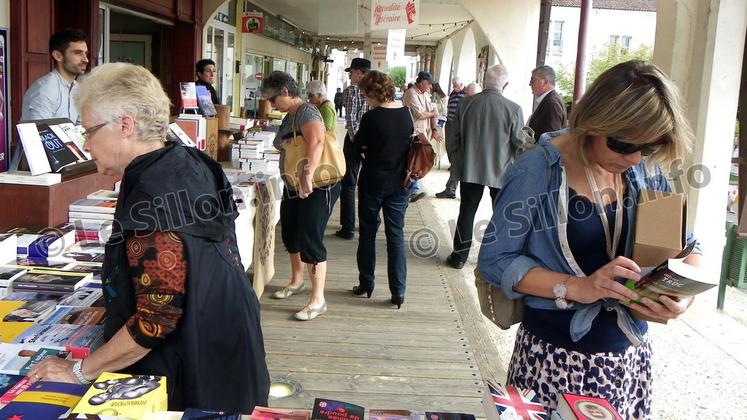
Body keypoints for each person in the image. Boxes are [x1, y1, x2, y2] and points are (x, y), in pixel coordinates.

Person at [26, 63, 270, 412]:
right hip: (227, 337)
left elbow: (156, 320)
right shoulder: (188, 159)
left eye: (88, 130)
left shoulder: (155, 190)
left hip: (195, 365)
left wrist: (79, 371)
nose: (86, 143)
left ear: (125, 125)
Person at [477, 60, 700, 418]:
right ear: (596, 122)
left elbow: (689, 246)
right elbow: (494, 259)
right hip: (553, 359)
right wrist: (576, 287)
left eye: (649, 147)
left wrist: (681, 299)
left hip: (625, 360)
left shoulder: (645, 170)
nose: (635, 158)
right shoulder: (540, 169)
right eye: (624, 144)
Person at [262, 71, 341, 321]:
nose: (271, 104)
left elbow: (317, 141)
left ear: (285, 92)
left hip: (316, 184)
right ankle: (297, 281)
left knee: (310, 237)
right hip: (294, 185)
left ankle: (318, 300)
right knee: (291, 233)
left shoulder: (306, 111)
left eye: (273, 99)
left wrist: (307, 176)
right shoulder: (290, 116)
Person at [446, 65, 525, 270]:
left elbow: (453, 136)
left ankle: (459, 256)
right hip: (501, 172)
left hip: (470, 169)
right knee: (500, 214)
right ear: (505, 84)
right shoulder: (514, 109)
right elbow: (520, 143)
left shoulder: (466, 104)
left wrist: (456, 160)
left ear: (485, 80)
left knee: (467, 211)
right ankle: (495, 256)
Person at [352, 70, 413, 309]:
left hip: (372, 183)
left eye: (365, 95)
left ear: (372, 93)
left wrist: (367, 150)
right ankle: (398, 291)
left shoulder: (371, 118)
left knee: (368, 233)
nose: (365, 99)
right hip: (400, 184)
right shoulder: (406, 114)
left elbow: (357, 147)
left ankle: (366, 283)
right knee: (395, 236)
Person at [21, 29, 89, 123]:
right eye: (78, 53)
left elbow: (80, 126)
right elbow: (41, 133)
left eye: (85, 53)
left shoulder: (78, 89)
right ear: (58, 56)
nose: (86, 60)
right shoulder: (46, 89)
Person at [336, 58, 371, 240]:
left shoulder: (352, 91)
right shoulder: (375, 90)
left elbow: (350, 120)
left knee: (349, 184)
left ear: (360, 72)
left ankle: (348, 227)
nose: (349, 75)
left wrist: (358, 142)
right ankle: (369, 224)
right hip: (373, 143)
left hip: (354, 142)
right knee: (368, 184)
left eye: (352, 72)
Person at [402, 71, 443, 203]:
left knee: (418, 160)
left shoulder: (425, 94)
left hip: (423, 133)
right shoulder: (411, 93)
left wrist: (434, 130)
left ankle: (410, 189)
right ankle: (411, 189)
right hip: (413, 133)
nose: (430, 87)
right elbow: (420, 115)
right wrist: (432, 113)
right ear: (421, 83)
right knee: (414, 160)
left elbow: (432, 113)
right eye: (429, 84)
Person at [435, 76, 466, 199]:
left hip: (459, 127)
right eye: (453, 86)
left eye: (456, 85)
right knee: (452, 155)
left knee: (457, 161)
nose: (454, 88)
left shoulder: (467, 95)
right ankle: (451, 189)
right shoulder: (453, 93)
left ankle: (451, 189)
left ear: (462, 84)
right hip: (450, 124)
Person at [526, 65, 567, 139]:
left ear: (544, 82)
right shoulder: (549, 100)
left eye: (533, 81)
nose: (530, 84)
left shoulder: (552, 103)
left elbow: (551, 140)